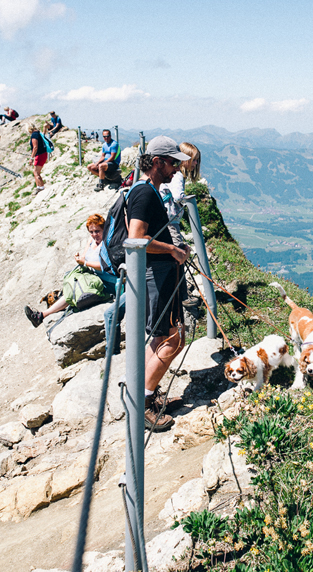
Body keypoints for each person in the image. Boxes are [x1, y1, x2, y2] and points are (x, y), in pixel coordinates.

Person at [127, 136, 191, 431]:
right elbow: (136, 238)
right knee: (173, 339)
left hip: (161, 271)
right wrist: (172, 250)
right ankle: (143, 402)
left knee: (161, 336)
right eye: (173, 163)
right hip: (158, 273)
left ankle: (144, 393)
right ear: (156, 162)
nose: (177, 169)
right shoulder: (144, 194)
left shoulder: (148, 190)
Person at [24, 214, 116, 327]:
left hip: (105, 279)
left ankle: (42, 315)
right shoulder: (91, 241)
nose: (94, 235)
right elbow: (84, 256)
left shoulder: (107, 243)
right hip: (92, 275)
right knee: (74, 282)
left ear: (104, 229)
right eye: (91, 232)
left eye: (97, 231)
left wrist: (86, 263)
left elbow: (106, 265)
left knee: (77, 287)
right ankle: (42, 315)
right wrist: (79, 259)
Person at [160, 142, 203, 313]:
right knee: (179, 255)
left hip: (169, 220)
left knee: (177, 254)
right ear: (184, 160)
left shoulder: (174, 175)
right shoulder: (178, 176)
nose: (195, 164)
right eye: (193, 160)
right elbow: (178, 196)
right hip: (171, 221)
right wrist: (188, 200)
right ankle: (183, 296)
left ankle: (179, 292)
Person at [29, 123, 46, 191]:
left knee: (36, 172)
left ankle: (41, 187)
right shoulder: (38, 133)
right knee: (36, 172)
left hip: (39, 155)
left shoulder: (34, 134)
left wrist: (31, 158)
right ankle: (39, 187)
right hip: (43, 154)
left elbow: (35, 147)